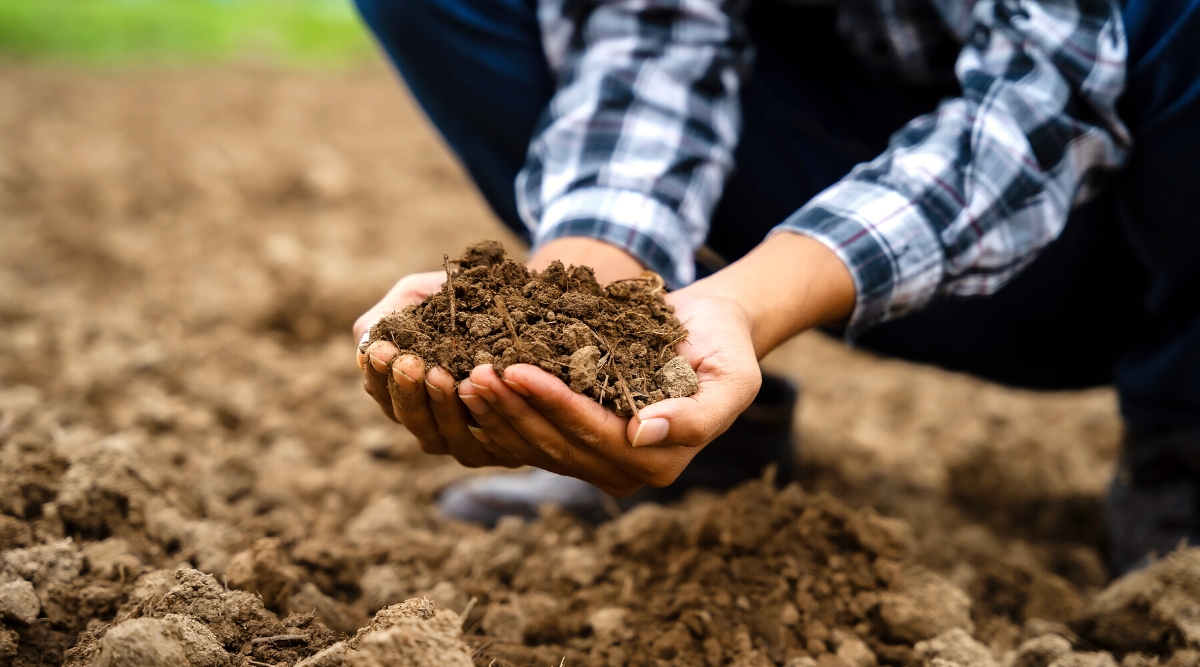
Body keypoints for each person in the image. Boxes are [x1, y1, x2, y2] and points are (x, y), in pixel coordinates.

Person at [350, 0, 1200, 576]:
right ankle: (686, 424)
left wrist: (753, 300)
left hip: (1116, 230)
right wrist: (595, 291)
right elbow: (655, 34)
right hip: (836, 190)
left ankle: (1184, 438)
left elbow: (1043, 98)